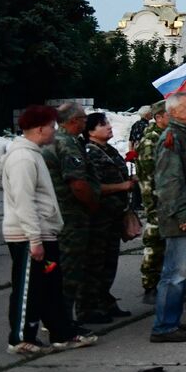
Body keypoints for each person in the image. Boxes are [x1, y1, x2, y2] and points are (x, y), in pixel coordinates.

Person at [4, 104, 97, 355]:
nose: (55, 132)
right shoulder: (22, 157)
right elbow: (24, 201)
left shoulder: (34, 153)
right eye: (52, 127)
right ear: (41, 128)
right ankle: (21, 337)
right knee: (29, 288)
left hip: (45, 233)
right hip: (28, 236)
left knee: (50, 287)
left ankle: (61, 333)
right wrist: (34, 239)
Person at [151, 92, 186, 342]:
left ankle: (172, 321)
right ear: (173, 112)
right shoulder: (172, 138)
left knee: (182, 274)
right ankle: (164, 326)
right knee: (175, 274)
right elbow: (169, 182)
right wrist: (183, 214)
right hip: (179, 217)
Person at [81, 113, 136, 321]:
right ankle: (89, 306)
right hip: (99, 215)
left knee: (109, 261)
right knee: (95, 261)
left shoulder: (109, 150)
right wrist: (121, 186)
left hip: (114, 214)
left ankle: (104, 300)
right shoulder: (91, 153)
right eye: (103, 125)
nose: (109, 127)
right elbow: (93, 187)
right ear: (90, 131)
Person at [41, 102, 91, 324]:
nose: (85, 121)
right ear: (73, 120)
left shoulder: (56, 141)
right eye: (83, 118)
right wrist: (92, 204)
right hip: (70, 215)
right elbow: (78, 184)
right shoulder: (67, 144)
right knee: (69, 270)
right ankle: (62, 322)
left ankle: (59, 317)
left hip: (58, 214)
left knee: (62, 268)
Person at [137, 101, 169, 303]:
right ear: (159, 117)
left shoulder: (167, 136)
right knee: (154, 244)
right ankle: (150, 286)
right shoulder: (151, 141)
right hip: (156, 200)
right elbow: (152, 174)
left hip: (167, 200)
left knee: (165, 245)